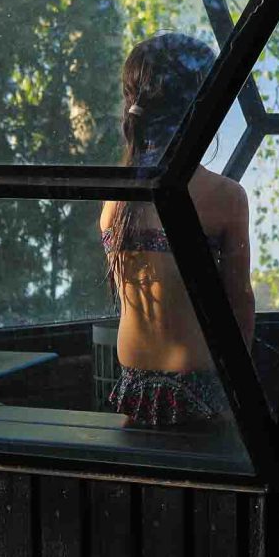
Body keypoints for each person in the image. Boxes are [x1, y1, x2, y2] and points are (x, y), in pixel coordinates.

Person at [100, 33, 253, 426]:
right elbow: (239, 301)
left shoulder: (114, 200)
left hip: (130, 388)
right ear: (201, 109)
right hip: (199, 389)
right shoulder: (225, 197)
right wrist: (241, 388)